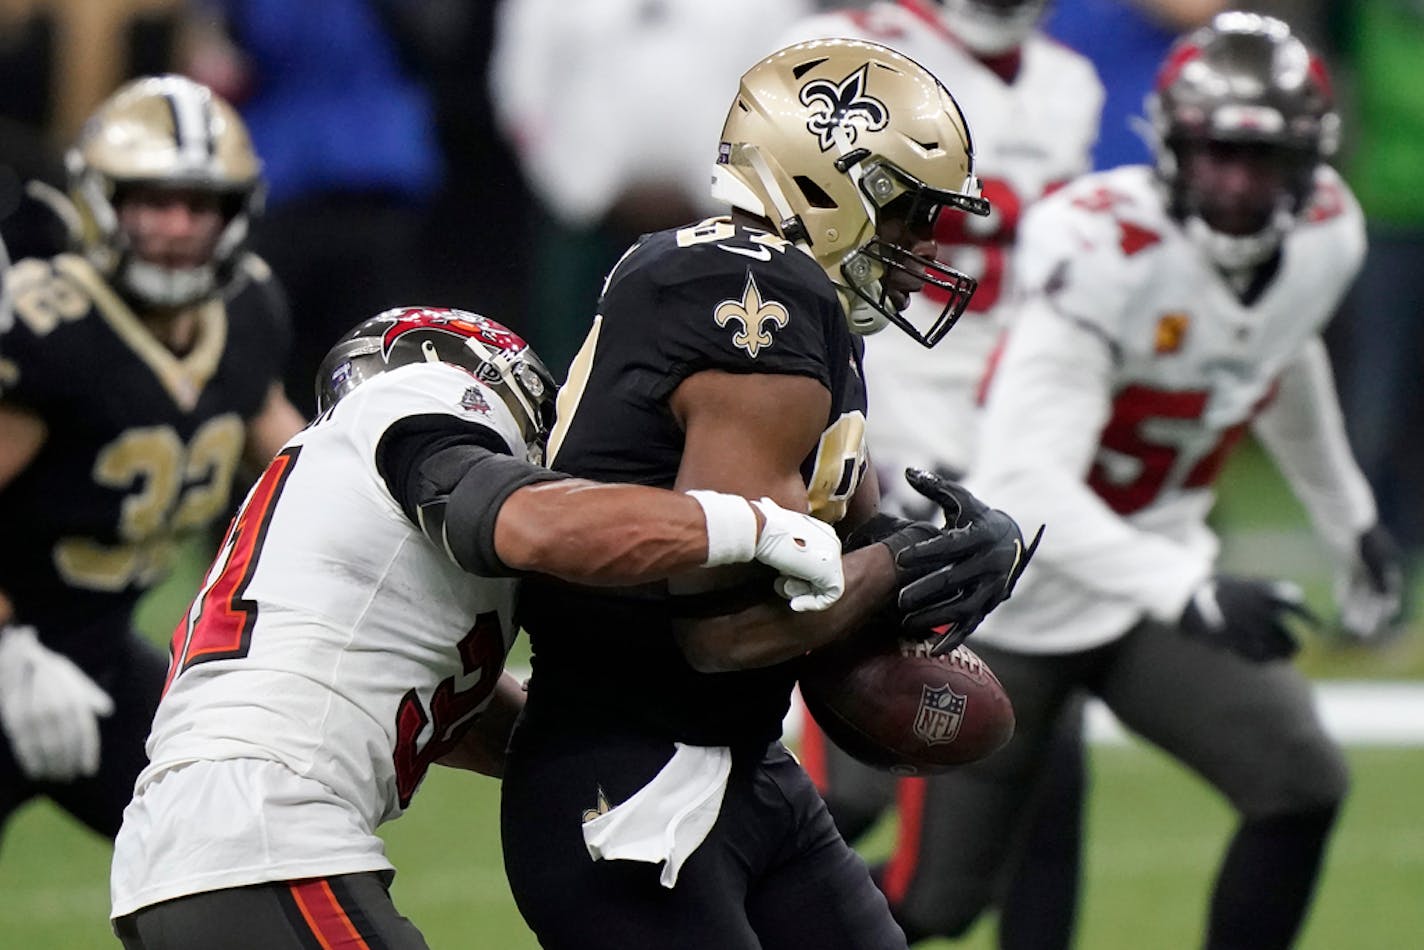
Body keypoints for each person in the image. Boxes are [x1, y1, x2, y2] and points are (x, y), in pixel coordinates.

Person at [884, 13, 1405, 947]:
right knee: (937, 904)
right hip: (1014, 599)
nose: (1240, 186)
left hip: (1142, 590)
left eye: (1266, 161)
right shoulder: (1099, 248)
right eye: (1218, 156)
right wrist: (1191, 591)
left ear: (1312, 163)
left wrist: (1349, 516)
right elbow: (1024, 490)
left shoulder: (1326, 235)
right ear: (1171, 146)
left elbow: (1280, 358)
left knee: (1298, 784)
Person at [500, 38, 1033, 950]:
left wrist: (955, 551)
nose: (922, 245)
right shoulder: (752, 294)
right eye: (906, 212)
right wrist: (896, 565)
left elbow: (840, 546)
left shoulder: (794, 300)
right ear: (832, 181)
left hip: (743, 765)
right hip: (634, 781)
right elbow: (726, 630)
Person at [107, 304, 855, 947]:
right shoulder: (418, 396)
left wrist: (625, 745)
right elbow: (522, 522)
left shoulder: (340, 536)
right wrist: (745, 522)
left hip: (181, 857)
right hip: (267, 841)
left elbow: (462, 719)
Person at [776, 4, 1104, 946]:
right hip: (889, 451)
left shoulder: (1067, 80)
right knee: (859, 769)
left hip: (1018, 453)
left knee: (1038, 753)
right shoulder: (853, 56)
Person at [0, 75, 304, 851]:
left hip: (97, 652)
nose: (174, 226)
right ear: (103, 202)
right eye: (150, 202)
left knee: (225, 858)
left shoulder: (244, 315)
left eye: (197, 205)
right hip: (11, 646)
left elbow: (304, 473)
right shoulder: (51, 325)